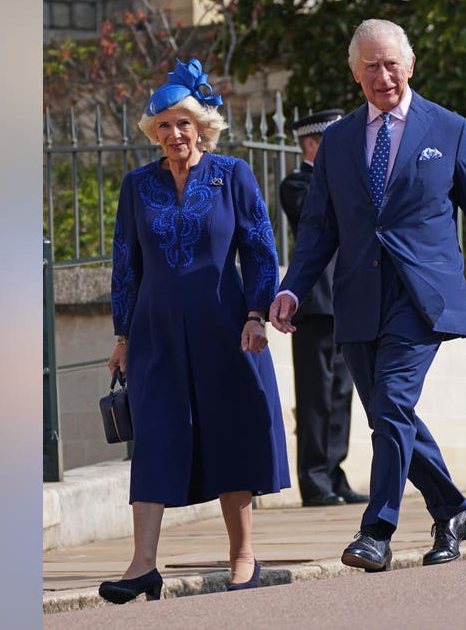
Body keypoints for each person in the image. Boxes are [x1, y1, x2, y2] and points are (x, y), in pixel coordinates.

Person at [268, 19, 466, 572]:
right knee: (387, 413)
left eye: (391, 63)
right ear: (356, 74)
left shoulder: (449, 128)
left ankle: (377, 531)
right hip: (358, 297)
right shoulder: (336, 141)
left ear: (410, 65)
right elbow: (318, 229)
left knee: (394, 404)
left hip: (423, 295)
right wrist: (292, 288)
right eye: (371, 66)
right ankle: (451, 510)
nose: (383, 75)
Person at [99, 58, 290, 603]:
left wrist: (256, 315)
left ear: (201, 125)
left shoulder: (233, 175)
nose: (174, 133)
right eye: (163, 125)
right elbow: (125, 264)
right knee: (156, 436)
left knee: (229, 433)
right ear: (153, 133)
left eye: (183, 122)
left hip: (224, 326)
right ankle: (142, 566)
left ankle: (243, 556)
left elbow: (260, 250)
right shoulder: (137, 186)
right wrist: (121, 338)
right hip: (154, 330)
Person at [279, 109, 370, 508]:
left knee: (342, 392)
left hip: (347, 299)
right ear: (313, 144)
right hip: (315, 302)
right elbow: (325, 217)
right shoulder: (297, 183)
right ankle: (314, 479)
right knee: (315, 394)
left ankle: (335, 472)